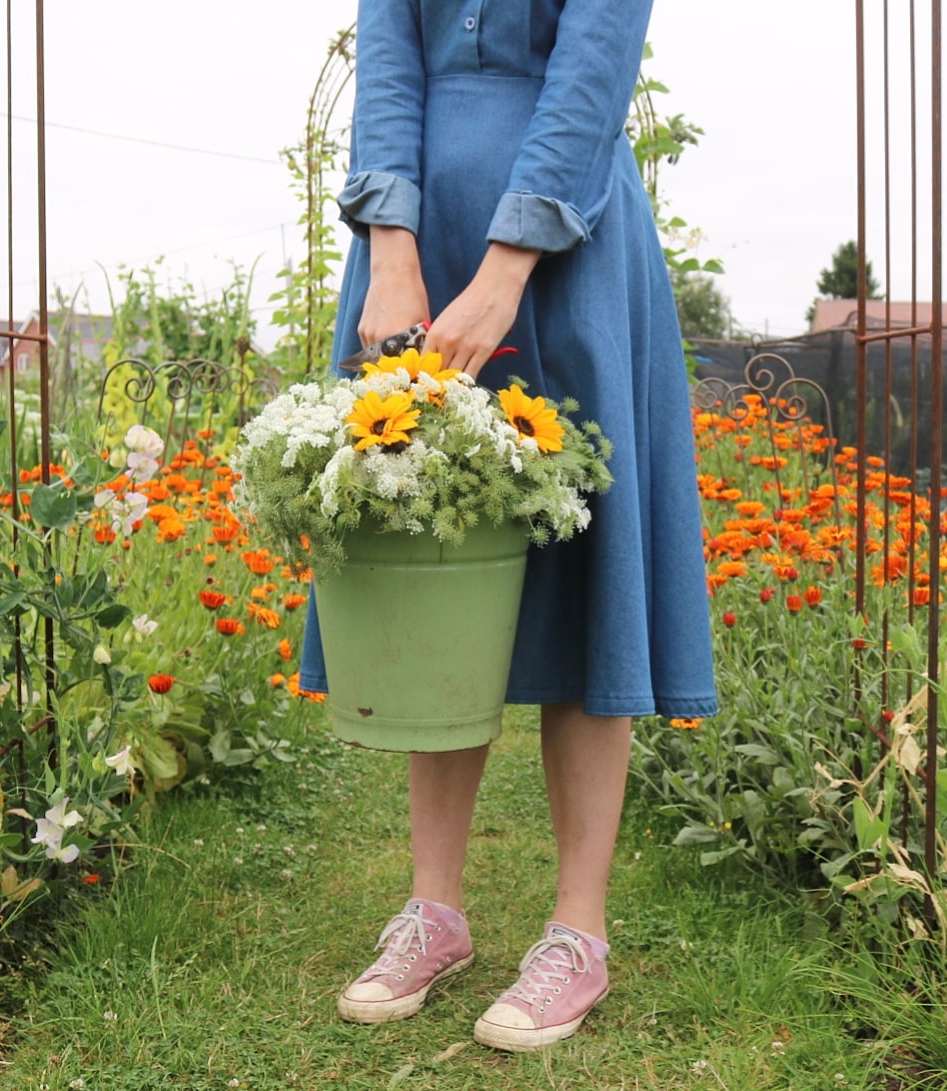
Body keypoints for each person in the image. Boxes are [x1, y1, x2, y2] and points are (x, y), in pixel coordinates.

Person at [297, 0, 718, 1052]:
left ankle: (577, 930)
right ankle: (432, 911)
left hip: (569, 244)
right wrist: (390, 245)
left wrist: (505, 268)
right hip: (420, 240)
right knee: (425, 561)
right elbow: (387, 67)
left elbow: (591, 72)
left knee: (585, 561)